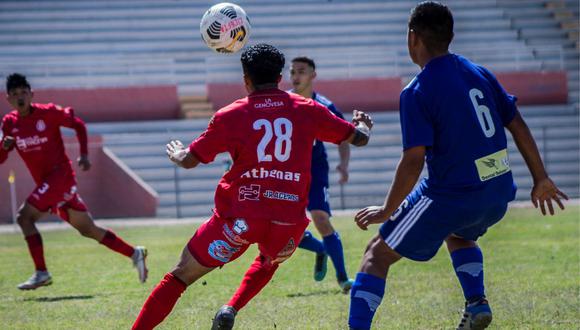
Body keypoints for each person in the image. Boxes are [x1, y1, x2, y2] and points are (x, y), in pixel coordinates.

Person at [347, 2, 568, 330]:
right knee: (460, 233)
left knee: (376, 255)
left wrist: (387, 209)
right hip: (497, 192)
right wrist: (541, 178)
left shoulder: (417, 90)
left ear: (413, 38)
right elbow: (517, 123)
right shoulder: (478, 72)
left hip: (452, 195)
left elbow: (413, 160)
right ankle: (477, 303)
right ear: (450, 36)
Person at [131, 43, 373, 330]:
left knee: (180, 276)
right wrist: (364, 126)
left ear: (246, 79)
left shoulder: (230, 115)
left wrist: (177, 153)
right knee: (269, 261)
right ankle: (231, 307)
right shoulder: (308, 108)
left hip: (239, 219)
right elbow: (357, 138)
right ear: (280, 78)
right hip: (288, 221)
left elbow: (189, 161)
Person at [0, 73, 148, 290]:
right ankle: (135, 253)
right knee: (88, 229)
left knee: (24, 217)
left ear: (31, 94)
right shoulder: (9, 124)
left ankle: (42, 272)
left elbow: (78, 125)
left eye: (24, 92)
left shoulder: (48, 113)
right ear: (8, 99)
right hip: (49, 184)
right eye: (15, 94)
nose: (20, 97)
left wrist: (85, 155)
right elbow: (2, 158)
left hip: (60, 177)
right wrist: (4, 146)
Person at [289, 56, 353, 292]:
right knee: (285, 228)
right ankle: (321, 249)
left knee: (321, 219)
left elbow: (345, 136)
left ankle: (344, 279)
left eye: (301, 71)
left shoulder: (324, 106)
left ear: (313, 75)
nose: (296, 77)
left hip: (315, 170)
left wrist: (343, 165)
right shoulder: (283, 102)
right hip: (287, 172)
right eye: (292, 72)